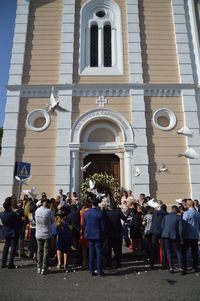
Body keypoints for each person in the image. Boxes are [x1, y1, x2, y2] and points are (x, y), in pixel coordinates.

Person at [84, 196, 105, 276]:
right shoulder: (100, 212)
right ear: (98, 204)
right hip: (98, 234)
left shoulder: (86, 213)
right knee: (99, 253)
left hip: (89, 234)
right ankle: (99, 270)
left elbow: (85, 224)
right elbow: (103, 226)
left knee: (91, 252)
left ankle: (91, 270)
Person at [180, 199, 200, 275]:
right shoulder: (198, 213)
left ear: (188, 205)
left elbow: (183, 225)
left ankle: (183, 269)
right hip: (195, 235)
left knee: (184, 253)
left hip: (187, 236)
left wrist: (181, 235)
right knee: (195, 253)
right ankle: (195, 267)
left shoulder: (186, 213)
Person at [35, 198, 54, 275]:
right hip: (46, 233)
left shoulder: (37, 210)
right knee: (46, 251)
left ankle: (39, 267)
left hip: (38, 233)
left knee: (39, 250)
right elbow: (52, 221)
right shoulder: (49, 211)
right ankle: (44, 268)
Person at [0, 197, 20, 269]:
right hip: (13, 232)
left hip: (6, 231)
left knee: (6, 248)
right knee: (13, 248)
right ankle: (11, 264)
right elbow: (19, 220)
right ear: (9, 206)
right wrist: (16, 212)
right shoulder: (13, 214)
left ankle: (3, 263)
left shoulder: (1, 214)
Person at [105, 202, 126, 268]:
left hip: (109, 233)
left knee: (109, 250)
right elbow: (125, 219)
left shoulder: (107, 214)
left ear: (110, 207)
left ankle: (109, 264)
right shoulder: (118, 213)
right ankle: (118, 263)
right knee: (117, 250)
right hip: (118, 233)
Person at [161, 205, 181, 273]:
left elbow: (162, 226)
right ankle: (181, 268)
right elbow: (180, 229)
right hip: (175, 235)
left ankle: (171, 268)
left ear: (172, 210)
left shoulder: (166, 216)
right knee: (178, 251)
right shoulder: (179, 217)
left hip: (166, 235)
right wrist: (181, 238)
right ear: (177, 210)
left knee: (168, 251)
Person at [149, 204, 167, 269]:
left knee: (153, 248)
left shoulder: (155, 213)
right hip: (162, 232)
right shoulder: (166, 214)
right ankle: (164, 264)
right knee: (163, 248)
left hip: (154, 231)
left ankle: (151, 264)